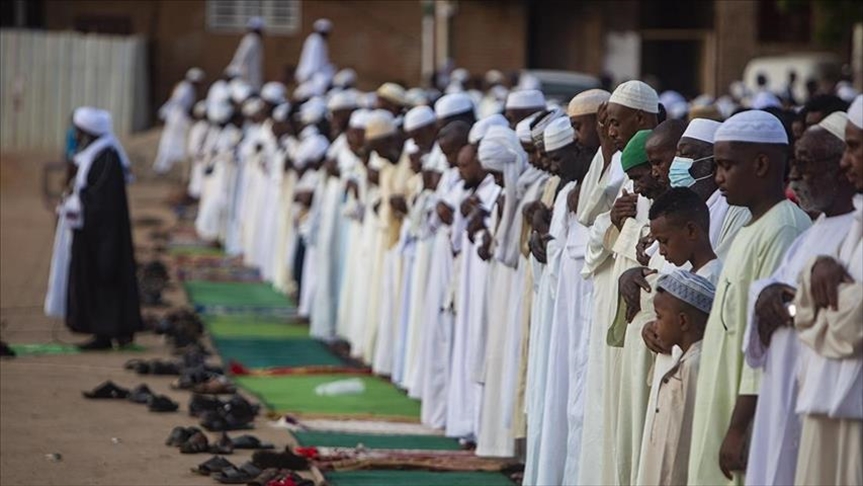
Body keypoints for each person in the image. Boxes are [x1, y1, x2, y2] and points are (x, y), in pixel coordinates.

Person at [687, 110, 811, 485]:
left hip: (752, 409)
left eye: (726, 166)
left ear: (761, 164)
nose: (719, 178)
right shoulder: (750, 225)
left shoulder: (784, 229)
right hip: (723, 390)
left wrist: (740, 426)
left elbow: (769, 340)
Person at [742, 111, 855, 486]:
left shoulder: (852, 230)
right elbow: (768, 290)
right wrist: (769, 298)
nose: (794, 177)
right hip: (788, 392)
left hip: (837, 399)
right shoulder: (813, 232)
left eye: (806, 164)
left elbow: (846, 314)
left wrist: (792, 307)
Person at [790, 94, 862, 486]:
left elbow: (852, 328)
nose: (846, 162)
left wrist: (812, 313)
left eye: (853, 148)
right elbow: (804, 305)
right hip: (822, 400)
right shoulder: (850, 228)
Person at [65, 107, 142, 350]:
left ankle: (106, 333)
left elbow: (100, 198)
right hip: (95, 231)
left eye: (78, 131)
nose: (75, 135)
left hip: (103, 234)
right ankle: (112, 330)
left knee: (105, 277)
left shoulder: (105, 157)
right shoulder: (95, 154)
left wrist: (78, 199)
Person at [638, 270, 715, 486]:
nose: (654, 325)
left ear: (682, 321)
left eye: (659, 317)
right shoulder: (684, 360)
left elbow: (681, 445)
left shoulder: (695, 366)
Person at [154, 67, 204, 174]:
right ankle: (163, 166)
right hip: (177, 118)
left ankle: (172, 165)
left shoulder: (187, 87)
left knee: (177, 142)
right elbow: (178, 103)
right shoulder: (185, 88)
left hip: (179, 117)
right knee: (169, 141)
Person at [228, 17, 264, 90]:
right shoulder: (251, 39)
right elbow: (242, 57)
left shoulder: (253, 39)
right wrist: (235, 71)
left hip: (250, 76)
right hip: (247, 77)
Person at [295, 18, 334, 85]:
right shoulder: (315, 40)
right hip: (311, 74)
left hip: (315, 73)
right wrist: (311, 74)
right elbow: (313, 59)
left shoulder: (319, 40)